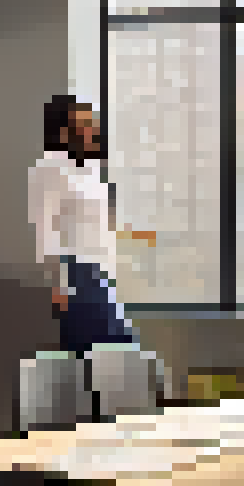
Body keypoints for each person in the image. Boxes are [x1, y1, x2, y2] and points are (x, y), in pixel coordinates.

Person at [29, 95, 154, 355]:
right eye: (84, 122)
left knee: (99, 361)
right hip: (78, 274)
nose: (93, 128)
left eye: (92, 122)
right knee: (116, 354)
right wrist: (58, 284)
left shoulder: (90, 169)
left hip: (103, 274)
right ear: (64, 130)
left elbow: (99, 224)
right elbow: (45, 228)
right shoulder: (50, 168)